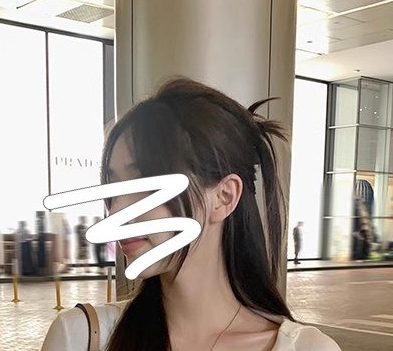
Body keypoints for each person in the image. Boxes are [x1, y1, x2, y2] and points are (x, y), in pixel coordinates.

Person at [43, 78, 339, 350]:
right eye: (113, 187)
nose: (116, 212)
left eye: (145, 185)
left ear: (224, 197)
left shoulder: (307, 348)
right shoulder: (80, 337)